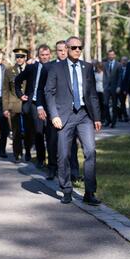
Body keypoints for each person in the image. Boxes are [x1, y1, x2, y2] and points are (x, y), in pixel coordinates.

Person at [44, 36, 102, 206]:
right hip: (64, 117)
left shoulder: (87, 67)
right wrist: (54, 115)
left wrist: (97, 117)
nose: (77, 50)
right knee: (63, 154)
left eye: (80, 47)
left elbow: (92, 94)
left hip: (85, 116)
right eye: (74, 47)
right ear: (67, 49)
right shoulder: (56, 68)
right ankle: (67, 189)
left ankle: (89, 193)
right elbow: (49, 92)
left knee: (90, 151)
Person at [44, 41, 79, 181]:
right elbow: (43, 90)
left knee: (72, 143)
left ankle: (74, 172)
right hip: (55, 112)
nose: (63, 52)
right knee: (53, 141)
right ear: (56, 51)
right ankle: (52, 169)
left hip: (73, 111)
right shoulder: (49, 67)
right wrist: (42, 108)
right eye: (60, 50)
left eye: (65, 49)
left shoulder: (75, 66)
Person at [14, 44, 51, 168]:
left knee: (47, 133)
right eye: (42, 55)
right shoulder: (32, 67)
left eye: (47, 55)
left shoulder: (54, 67)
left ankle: (49, 160)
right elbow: (18, 80)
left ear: (50, 55)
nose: (45, 57)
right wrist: (20, 94)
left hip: (49, 104)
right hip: (33, 103)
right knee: (37, 132)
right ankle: (39, 158)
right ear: (38, 56)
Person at [4, 48, 27, 162]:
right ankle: (17, 153)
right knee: (16, 132)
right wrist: (5, 107)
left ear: (25, 57)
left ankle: (27, 153)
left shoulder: (31, 69)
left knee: (29, 131)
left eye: (22, 57)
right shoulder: (9, 71)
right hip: (14, 105)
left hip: (28, 104)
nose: (19, 59)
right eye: (17, 57)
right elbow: (5, 91)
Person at [104, 49, 120, 128]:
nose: (111, 56)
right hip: (106, 88)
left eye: (112, 55)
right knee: (105, 104)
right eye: (109, 55)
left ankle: (113, 122)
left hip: (115, 88)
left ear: (114, 55)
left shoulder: (118, 65)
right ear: (108, 56)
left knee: (114, 105)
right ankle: (108, 120)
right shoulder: (105, 64)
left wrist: (119, 86)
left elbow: (120, 77)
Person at [116, 56, 130, 122]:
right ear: (121, 61)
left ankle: (125, 116)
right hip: (119, 88)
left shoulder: (129, 68)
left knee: (123, 103)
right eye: (123, 60)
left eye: (125, 60)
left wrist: (126, 89)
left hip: (126, 89)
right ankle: (122, 116)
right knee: (120, 103)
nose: (124, 62)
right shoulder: (118, 68)